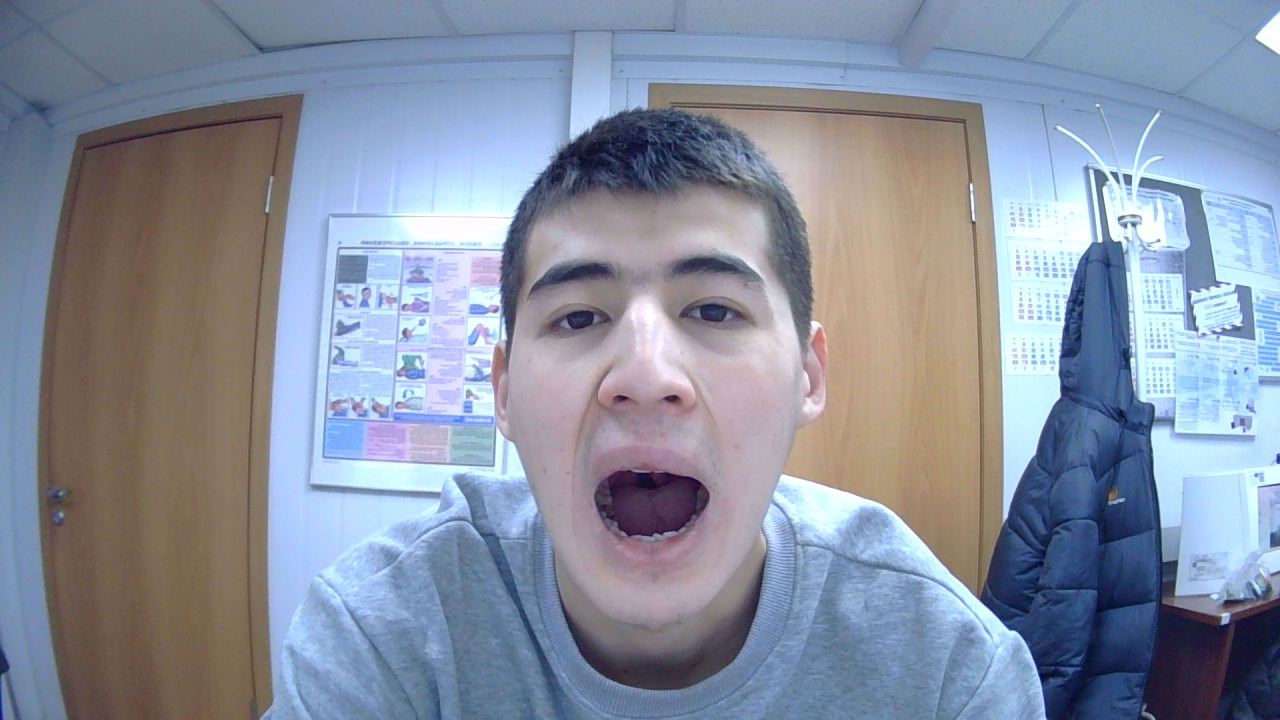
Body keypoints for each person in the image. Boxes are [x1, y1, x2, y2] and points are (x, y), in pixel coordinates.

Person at [266, 108, 1045, 718]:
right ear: (502, 391)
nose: (645, 376)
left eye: (713, 309)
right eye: (577, 317)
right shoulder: (386, 634)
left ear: (808, 375)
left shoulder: (948, 670)